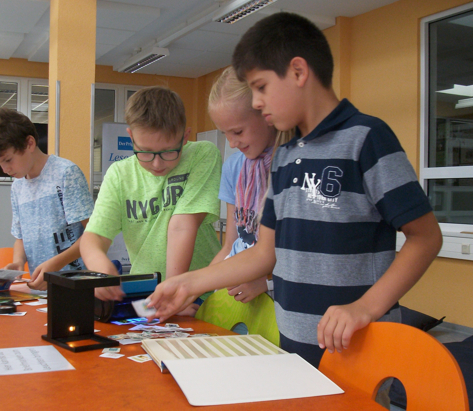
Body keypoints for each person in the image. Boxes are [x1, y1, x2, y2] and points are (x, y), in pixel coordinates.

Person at [148, 12, 443, 367]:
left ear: (299, 73)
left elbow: (426, 237)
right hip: (294, 348)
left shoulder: (366, 139)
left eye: (261, 87)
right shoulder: (285, 157)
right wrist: (187, 284)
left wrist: (365, 307)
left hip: (360, 350)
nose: (257, 102)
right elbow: (263, 254)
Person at [80, 86, 222, 316]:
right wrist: (99, 266)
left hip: (202, 293)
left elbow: (182, 226)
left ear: (185, 137)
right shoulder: (119, 174)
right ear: (131, 137)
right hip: (151, 295)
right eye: (145, 152)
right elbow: (93, 237)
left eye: (168, 152)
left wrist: (175, 293)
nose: (157, 164)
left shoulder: (203, 154)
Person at [0, 108, 94, 291]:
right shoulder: (17, 186)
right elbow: (21, 237)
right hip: (39, 288)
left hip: (75, 285)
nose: (5, 170)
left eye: (8, 160)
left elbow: (94, 234)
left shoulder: (65, 173)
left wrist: (56, 264)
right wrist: (18, 261)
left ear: (30, 143)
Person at [208, 66, 292, 303]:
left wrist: (267, 283)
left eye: (237, 131)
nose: (232, 143)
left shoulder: (292, 166)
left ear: (267, 115)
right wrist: (193, 290)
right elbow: (231, 245)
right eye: (224, 133)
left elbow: (301, 256)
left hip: (281, 298)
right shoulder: (234, 168)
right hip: (241, 295)